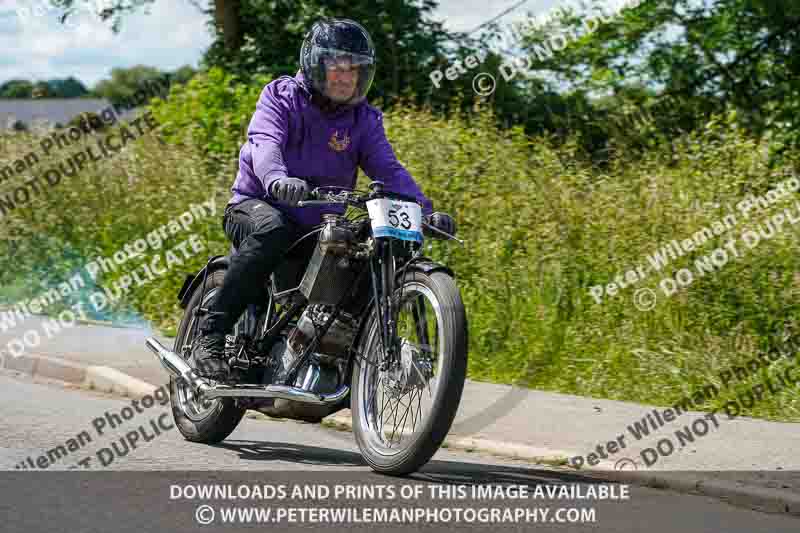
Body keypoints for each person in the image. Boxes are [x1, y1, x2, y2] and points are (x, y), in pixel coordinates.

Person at [192, 18, 456, 380]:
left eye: (356, 69)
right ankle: (211, 336)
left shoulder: (363, 119)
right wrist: (277, 178)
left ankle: (346, 352)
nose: (347, 77)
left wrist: (425, 211)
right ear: (316, 64)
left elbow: (389, 170)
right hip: (258, 204)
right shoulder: (281, 96)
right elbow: (264, 143)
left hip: (316, 225)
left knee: (366, 250)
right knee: (273, 229)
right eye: (338, 66)